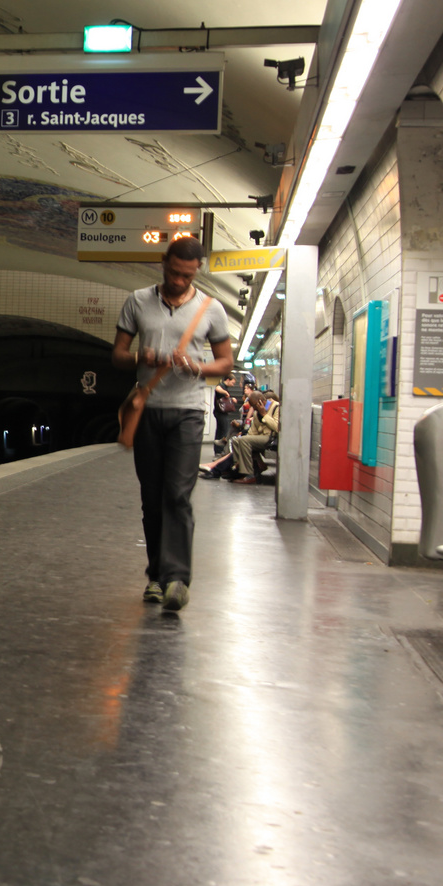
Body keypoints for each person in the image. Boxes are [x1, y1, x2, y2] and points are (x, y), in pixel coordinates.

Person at [112, 236, 233, 611]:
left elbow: (225, 362)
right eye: (173, 272)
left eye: (187, 275)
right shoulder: (137, 300)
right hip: (148, 408)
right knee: (152, 497)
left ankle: (177, 578)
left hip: (189, 410)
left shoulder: (211, 309)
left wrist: (198, 367)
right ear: (163, 263)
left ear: (197, 271)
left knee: (177, 495)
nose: (179, 281)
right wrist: (138, 359)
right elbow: (116, 354)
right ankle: (155, 576)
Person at [231, 391, 281, 484]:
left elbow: (277, 427)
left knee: (244, 441)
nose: (253, 409)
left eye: (254, 406)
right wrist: (245, 437)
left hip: (270, 437)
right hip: (260, 436)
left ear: (260, 402)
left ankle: (249, 474)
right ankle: (240, 466)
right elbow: (253, 431)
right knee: (236, 441)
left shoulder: (276, 407)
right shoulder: (256, 412)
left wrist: (264, 414)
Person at [212, 372, 238, 451]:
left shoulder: (225, 387)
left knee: (220, 431)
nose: (233, 385)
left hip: (220, 412)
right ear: (228, 380)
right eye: (232, 382)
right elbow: (217, 388)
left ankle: (218, 450)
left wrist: (231, 399)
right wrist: (225, 392)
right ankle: (221, 450)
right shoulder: (222, 386)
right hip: (220, 413)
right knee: (224, 431)